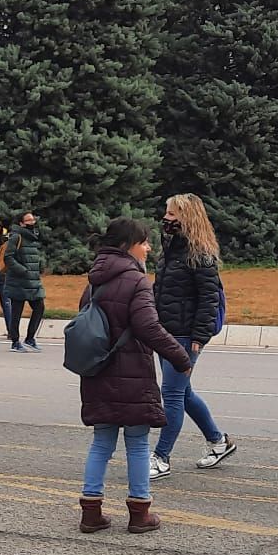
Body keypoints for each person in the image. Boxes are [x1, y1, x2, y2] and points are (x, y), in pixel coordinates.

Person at [77, 218, 194, 534]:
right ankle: (139, 512)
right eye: (145, 242)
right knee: (138, 443)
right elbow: (148, 327)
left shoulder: (95, 280)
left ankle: (91, 512)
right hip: (133, 373)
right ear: (130, 245)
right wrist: (181, 357)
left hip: (98, 371)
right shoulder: (136, 280)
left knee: (101, 442)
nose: (149, 248)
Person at [150, 194, 237, 476]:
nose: (166, 219)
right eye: (167, 213)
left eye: (172, 214)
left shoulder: (200, 255)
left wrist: (199, 338)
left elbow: (209, 299)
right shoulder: (171, 250)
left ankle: (161, 457)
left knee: (172, 394)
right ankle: (218, 441)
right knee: (183, 393)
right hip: (166, 331)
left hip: (185, 336)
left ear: (187, 218)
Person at [3, 212, 47, 352]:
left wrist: (38, 267)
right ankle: (15, 341)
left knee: (39, 307)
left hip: (33, 281)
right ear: (21, 223)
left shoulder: (32, 237)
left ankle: (30, 338)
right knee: (17, 312)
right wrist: (23, 270)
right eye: (28, 220)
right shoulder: (16, 237)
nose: (32, 222)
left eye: (33, 219)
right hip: (19, 280)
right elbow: (8, 257)